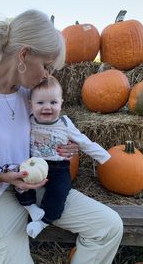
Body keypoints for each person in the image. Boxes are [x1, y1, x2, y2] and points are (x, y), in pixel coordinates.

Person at [0, 9, 123, 264]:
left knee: (109, 226)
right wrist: (1, 176)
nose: (47, 76)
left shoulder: (31, 95)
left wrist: (63, 145)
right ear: (24, 54)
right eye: (46, 66)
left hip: (38, 184)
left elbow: (51, 130)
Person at [15, 75, 114, 239]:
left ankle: (43, 221)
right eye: (40, 103)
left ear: (61, 103)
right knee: (21, 182)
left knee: (59, 193)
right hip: (35, 164)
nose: (47, 107)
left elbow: (83, 141)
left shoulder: (65, 123)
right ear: (30, 105)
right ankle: (30, 207)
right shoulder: (29, 121)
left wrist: (104, 156)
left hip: (58, 168)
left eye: (53, 102)